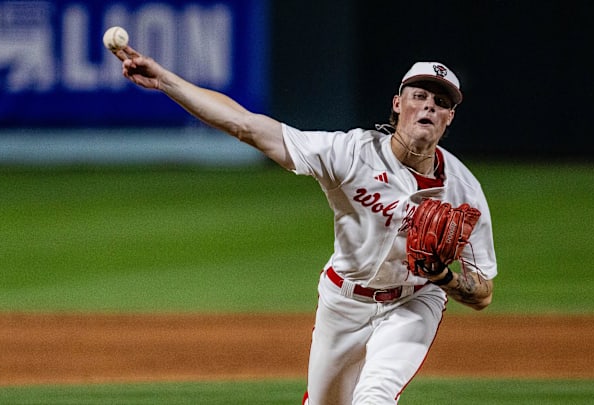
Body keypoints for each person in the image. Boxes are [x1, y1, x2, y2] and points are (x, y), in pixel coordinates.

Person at [111, 46, 497, 404]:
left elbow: (482, 293)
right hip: (343, 300)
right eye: (420, 96)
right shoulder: (350, 154)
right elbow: (246, 125)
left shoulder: (464, 191)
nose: (429, 106)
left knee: (375, 396)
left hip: (413, 302)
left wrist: (442, 277)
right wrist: (164, 80)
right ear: (397, 105)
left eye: (441, 102)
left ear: (449, 118)